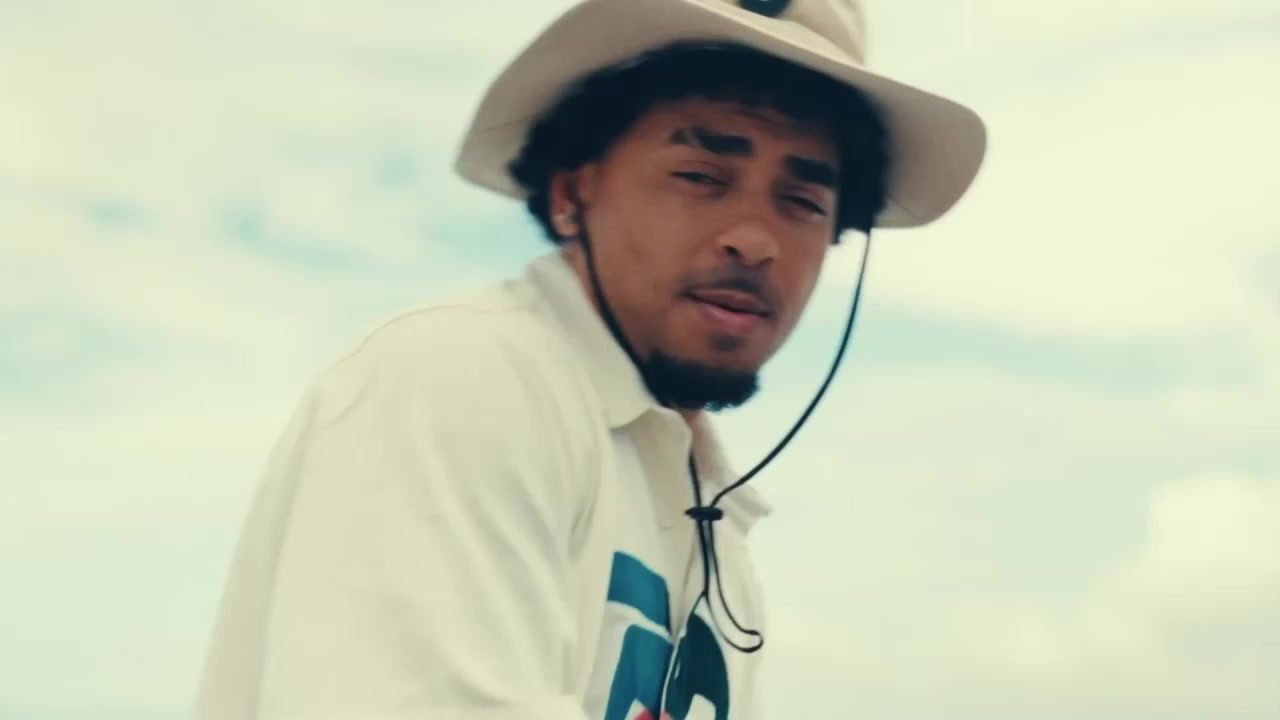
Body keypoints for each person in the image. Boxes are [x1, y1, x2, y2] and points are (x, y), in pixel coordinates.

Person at [192, 0, 986, 718]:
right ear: (572, 193)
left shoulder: (713, 519)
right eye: (701, 175)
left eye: (804, 201)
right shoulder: (465, 377)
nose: (755, 239)